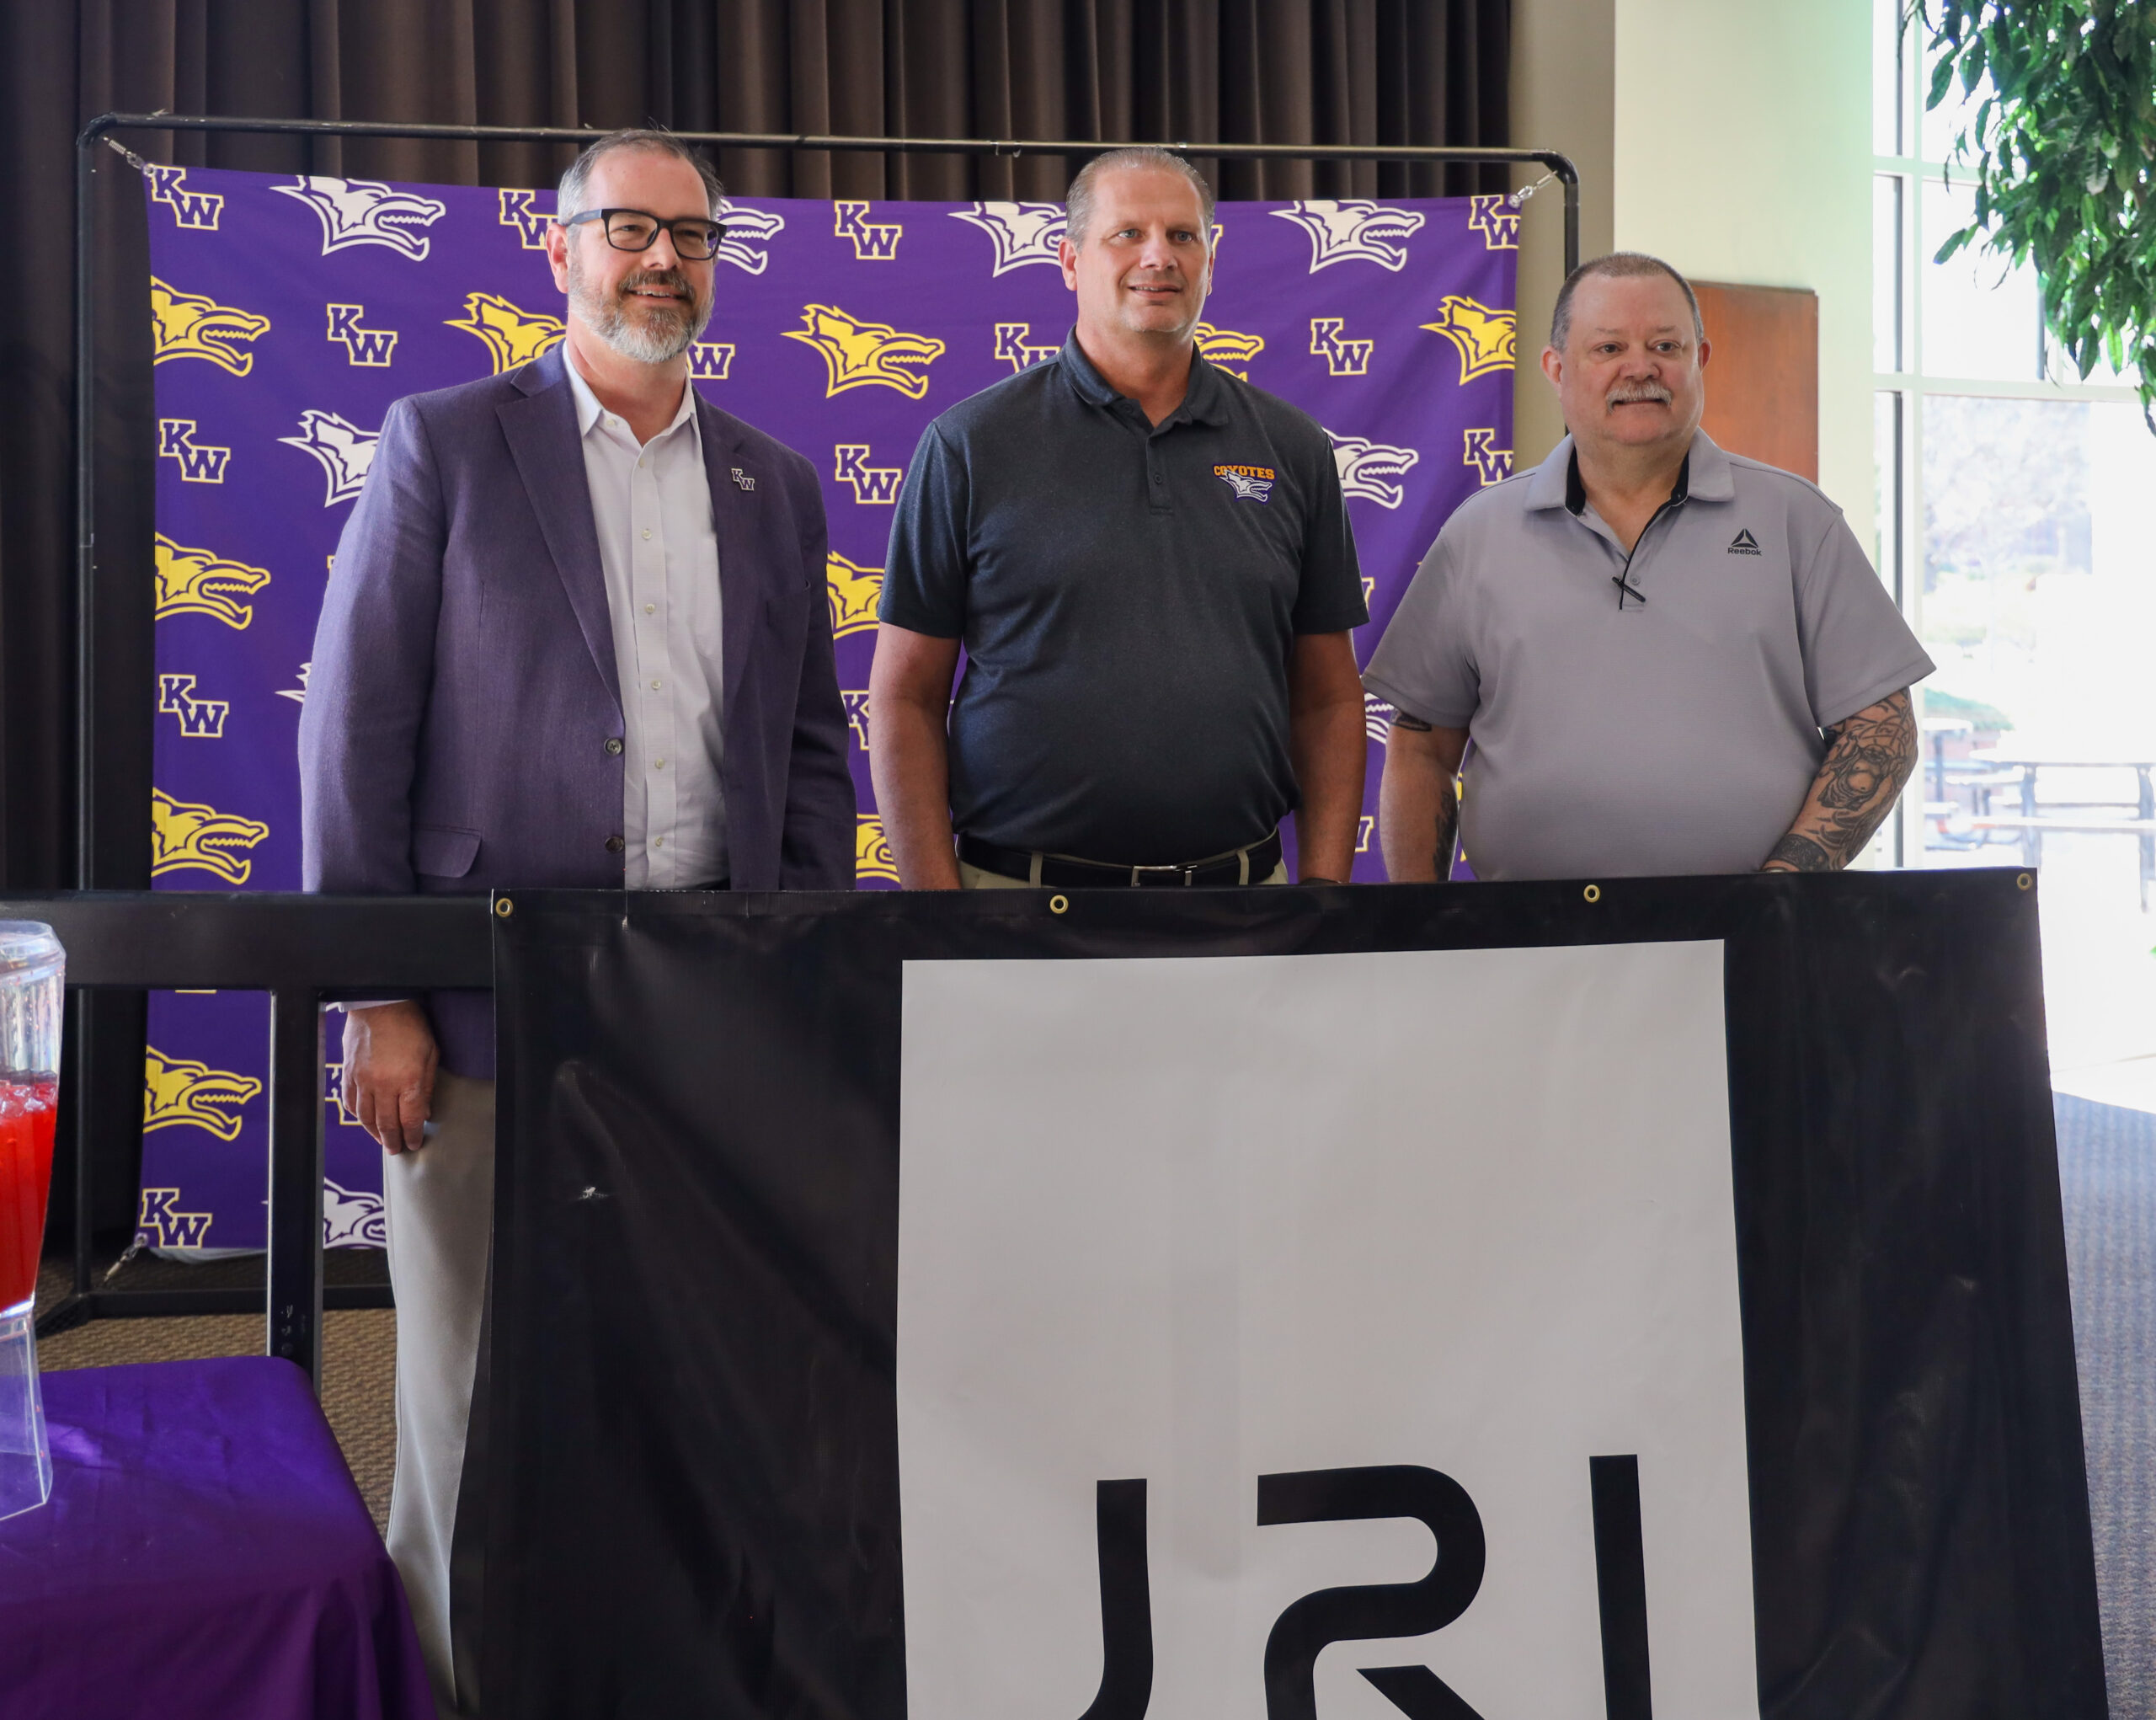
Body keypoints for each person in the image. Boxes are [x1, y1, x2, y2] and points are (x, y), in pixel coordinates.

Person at [297, 129, 852, 1717]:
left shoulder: (774, 482)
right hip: (483, 1002)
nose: (661, 261)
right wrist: (382, 998)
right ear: (559, 253)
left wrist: (794, 969)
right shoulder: (447, 444)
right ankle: (460, 1685)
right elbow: (357, 733)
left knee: (686, 1364)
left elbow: (810, 750)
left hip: (703, 1007)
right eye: (628, 230)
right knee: (472, 1386)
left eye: (690, 236)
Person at [868, 147, 1369, 889]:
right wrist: (938, 914)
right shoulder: (970, 446)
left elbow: (1329, 698)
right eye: (1127, 234)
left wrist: (1324, 895)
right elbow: (905, 697)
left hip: (1241, 903)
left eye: (1183, 235)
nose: (1159, 257)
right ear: (1071, 262)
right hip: (1017, 907)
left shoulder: (1292, 448)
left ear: (1210, 259)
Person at [1366, 251, 1931, 883]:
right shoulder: (1477, 534)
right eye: (1608, 348)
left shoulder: (1798, 521)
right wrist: (1421, 925)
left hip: (1745, 937)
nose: (1641, 368)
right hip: (1528, 946)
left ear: (1700, 361)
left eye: (1666, 344)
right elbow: (1420, 747)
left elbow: (1884, 726)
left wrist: (1783, 889)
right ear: (1556, 369)